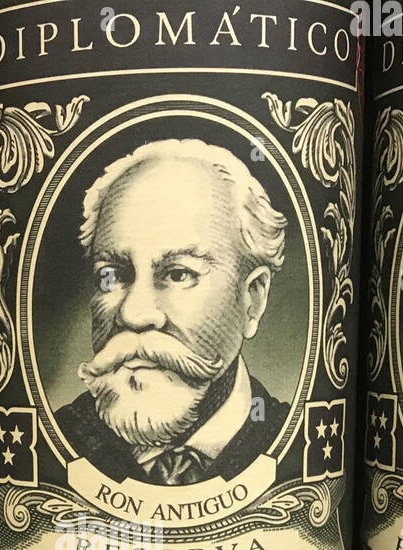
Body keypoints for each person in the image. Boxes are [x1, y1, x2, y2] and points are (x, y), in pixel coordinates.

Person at [56, 139, 290, 486]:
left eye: (178, 274)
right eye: (114, 275)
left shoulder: (292, 439)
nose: (134, 315)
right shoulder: (58, 441)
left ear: (252, 298)